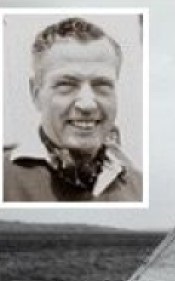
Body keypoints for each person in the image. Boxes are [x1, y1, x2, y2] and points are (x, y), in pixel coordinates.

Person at [3, 17, 142, 202]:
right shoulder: (6, 179)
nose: (87, 104)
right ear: (36, 94)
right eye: (66, 85)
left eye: (101, 85)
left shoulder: (138, 188)